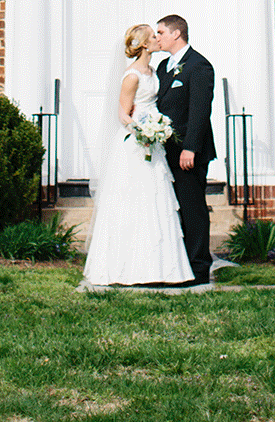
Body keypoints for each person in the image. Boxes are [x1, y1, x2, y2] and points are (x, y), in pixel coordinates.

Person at [82, 22, 194, 287]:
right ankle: (126, 270)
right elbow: (122, 113)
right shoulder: (131, 75)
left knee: (155, 201)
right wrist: (142, 130)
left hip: (152, 145)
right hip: (136, 144)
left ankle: (162, 269)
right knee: (133, 200)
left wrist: (156, 130)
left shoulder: (154, 70)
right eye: (153, 37)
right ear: (144, 44)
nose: (158, 39)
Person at [156, 14, 216, 287]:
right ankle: (176, 266)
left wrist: (190, 148)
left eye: (160, 33)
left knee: (192, 208)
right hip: (164, 151)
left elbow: (200, 113)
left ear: (176, 34)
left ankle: (199, 268)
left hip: (187, 152)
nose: (157, 38)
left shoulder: (199, 66)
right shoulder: (161, 68)